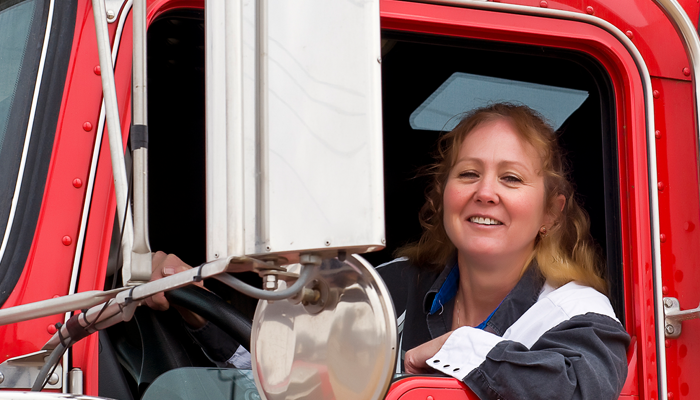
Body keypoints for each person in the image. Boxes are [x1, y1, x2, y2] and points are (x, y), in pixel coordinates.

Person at [376, 103, 629, 399]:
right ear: (443, 196)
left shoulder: (579, 313)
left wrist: (459, 348)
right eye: (469, 173)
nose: (484, 193)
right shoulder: (385, 289)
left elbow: (575, 391)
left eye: (511, 178)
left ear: (550, 213)